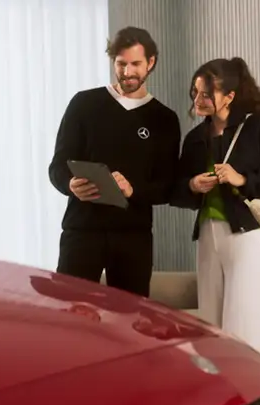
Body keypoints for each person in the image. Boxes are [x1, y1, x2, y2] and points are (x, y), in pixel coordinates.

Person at [170, 57, 260, 359]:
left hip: (246, 235)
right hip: (208, 234)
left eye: (206, 94)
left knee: (246, 320)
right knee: (210, 324)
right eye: (195, 92)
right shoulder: (195, 138)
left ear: (229, 96)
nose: (198, 100)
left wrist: (243, 179)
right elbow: (175, 188)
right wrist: (192, 186)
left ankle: (253, 395)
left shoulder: (258, 129)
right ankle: (218, 394)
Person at [48, 27, 181, 297]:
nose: (127, 72)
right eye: (121, 64)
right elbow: (57, 166)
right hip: (82, 230)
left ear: (151, 62)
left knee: (130, 323)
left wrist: (134, 191)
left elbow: (168, 186)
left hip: (133, 236)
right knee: (69, 315)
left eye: (135, 64)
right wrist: (70, 184)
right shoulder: (84, 104)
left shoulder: (164, 119)